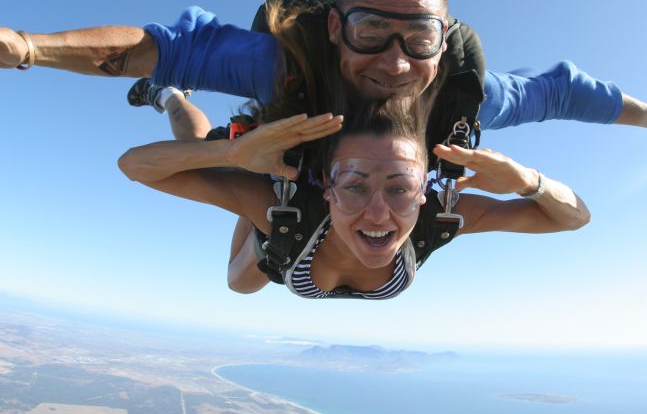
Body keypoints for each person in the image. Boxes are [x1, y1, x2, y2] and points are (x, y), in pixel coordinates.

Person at [0, 0, 647, 138]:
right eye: (371, 33)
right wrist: (30, 48)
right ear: (334, 31)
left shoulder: (465, 94)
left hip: (364, 177)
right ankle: (169, 103)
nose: (395, 61)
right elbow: (166, 46)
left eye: (419, 39)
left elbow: (564, 92)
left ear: (442, 43)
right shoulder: (279, 67)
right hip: (290, 126)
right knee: (220, 167)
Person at [118, 95, 590, 298]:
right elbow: (133, 166)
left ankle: (255, 184)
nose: (378, 214)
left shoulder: (443, 213)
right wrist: (233, 153)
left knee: (241, 274)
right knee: (202, 153)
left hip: (280, 224)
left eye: (400, 187)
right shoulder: (284, 204)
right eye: (355, 186)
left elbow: (575, 218)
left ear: (423, 192)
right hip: (284, 218)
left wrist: (528, 180)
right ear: (326, 187)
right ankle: (173, 97)